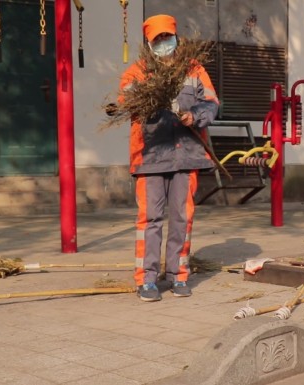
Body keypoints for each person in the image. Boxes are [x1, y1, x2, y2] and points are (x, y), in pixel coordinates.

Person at [118, 14, 219, 301]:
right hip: (150, 156)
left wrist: (195, 116)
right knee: (149, 219)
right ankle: (146, 279)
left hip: (187, 155)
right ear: (149, 43)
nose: (164, 43)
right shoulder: (137, 72)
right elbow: (125, 102)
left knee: (182, 217)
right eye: (157, 39)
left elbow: (211, 103)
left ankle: (178, 275)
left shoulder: (194, 69)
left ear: (176, 37)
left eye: (167, 37)